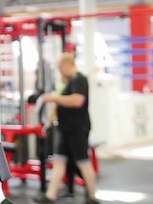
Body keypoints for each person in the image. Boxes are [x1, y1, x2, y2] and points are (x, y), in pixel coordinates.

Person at [34, 53, 99, 204]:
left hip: (77, 129)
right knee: (59, 161)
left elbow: (77, 101)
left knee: (83, 161)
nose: (60, 71)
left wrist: (53, 98)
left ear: (67, 64)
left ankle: (92, 197)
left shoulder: (79, 79)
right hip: (65, 129)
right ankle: (50, 196)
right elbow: (60, 104)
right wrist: (49, 121)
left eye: (60, 68)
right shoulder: (69, 82)